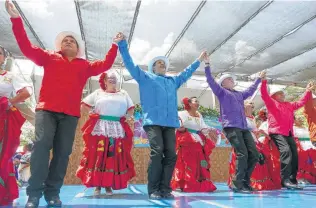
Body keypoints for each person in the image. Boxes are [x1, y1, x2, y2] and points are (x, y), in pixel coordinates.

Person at [5, 1, 119, 207]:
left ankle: (52, 194)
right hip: (46, 111)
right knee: (40, 148)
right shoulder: (49, 57)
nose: (68, 42)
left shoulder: (84, 65)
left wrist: (114, 46)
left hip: (70, 115)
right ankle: (33, 195)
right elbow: (25, 46)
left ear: (78, 48)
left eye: (72, 41)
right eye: (65, 40)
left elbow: (106, 64)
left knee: (63, 153)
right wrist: (15, 19)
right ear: (59, 46)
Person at [116, 32, 207, 199]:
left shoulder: (173, 81)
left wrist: (199, 60)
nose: (162, 65)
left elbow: (186, 73)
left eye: (163, 63)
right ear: (152, 67)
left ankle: (165, 188)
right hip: (153, 122)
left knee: (171, 154)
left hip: (170, 123)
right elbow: (129, 64)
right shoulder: (145, 77)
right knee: (157, 151)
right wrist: (122, 45)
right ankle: (153, 189)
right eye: (158, 63)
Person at [204, 54, 264, 193]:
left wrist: (258, 79)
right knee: (242, 153)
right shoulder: (221, 92)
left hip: (243, 127)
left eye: (231, 79)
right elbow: (210, 80)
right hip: (231, 127)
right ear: (223, 83)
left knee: (253, 153)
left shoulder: (239, 94)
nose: (232, 80)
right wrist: (207, 65)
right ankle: (237, 183)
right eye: (229, 79)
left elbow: (250, 91)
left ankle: (245, 181)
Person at [76, 71, 135, 196]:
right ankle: (97, 185)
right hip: (100, 127)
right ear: (104, 80)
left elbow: (131, 109)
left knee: (112, 155)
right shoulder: (98, 93)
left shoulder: (124, 93)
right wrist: (92, 112)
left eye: (114, 78)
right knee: (99, 154)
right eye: (110, 78)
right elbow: (84, 104)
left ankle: (109, 185)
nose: (112, 80)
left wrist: (125, 117)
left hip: (116, 128)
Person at [260, 75, 315, 189]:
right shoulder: (272, 103)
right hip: (277, 132)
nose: (283, 95)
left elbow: (301, 102)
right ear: (274, 96)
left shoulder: (289, 105)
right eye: (280, 93)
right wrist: (264, 82)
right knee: (286, 151)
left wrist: (308, 91)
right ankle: (284, 179)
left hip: (289, 133)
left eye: (282, 93)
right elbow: (264, 95)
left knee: (295, 154)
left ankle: (292, 180)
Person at [0, 45, 32, 206]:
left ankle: (3, 193)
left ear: (4, 58)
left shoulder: (10, 76)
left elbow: (26, 92)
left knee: (3, 154)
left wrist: (10, 102)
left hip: (2, 117)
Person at [171, 97, 217, 192]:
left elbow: (203, 127)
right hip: (187, 141)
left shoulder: (199, 115)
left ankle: (202, 181)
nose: (197, 103)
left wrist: (212, 130)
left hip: (198, 142)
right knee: (189, 162)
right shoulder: (181, 113)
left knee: (203, 163)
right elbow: (176, 124)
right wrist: (179, 128)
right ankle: (187, 183)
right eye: (195, 101)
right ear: (190, 103)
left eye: (198, 101)